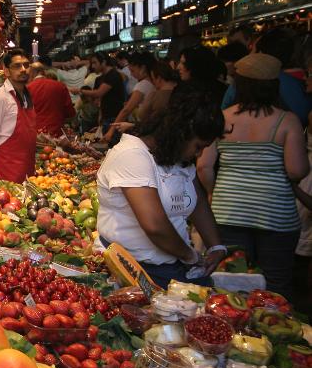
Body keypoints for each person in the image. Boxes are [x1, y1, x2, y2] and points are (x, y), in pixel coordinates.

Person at [197, 53, 310, 296]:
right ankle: (277, 328)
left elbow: (203, 166)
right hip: (276, 214)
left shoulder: (223, 118)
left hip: (228, 211)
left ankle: (238, 331)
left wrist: (211, 193)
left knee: (230, 283)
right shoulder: (286, 121)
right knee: (275, 285)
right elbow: (297, 170)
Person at [97, 88, 227, 288]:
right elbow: (155, 226)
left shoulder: (177, 159)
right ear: (181, 134)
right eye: (198, 146)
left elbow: (198, 202)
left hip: (173, 266)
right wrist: (190, 256)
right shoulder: (132, 155)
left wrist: (216, 246)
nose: (199, 154)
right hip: (134, 269)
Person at [220, 28, 312, 126]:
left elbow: (224, 109)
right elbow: (303, 116)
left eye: (254, 50)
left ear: (261, 53)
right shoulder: (297, 84)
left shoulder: (242, 80)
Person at [0, 48, 37, 182]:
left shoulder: (27, 96)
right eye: (17, 66)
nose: (23, 69)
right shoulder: (0, 99)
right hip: (8, 173)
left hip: (28, 170)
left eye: (26, 65)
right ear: (6, 71)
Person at [104, 51, 156, 141]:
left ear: (143, 68)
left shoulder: (143, 85)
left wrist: (110, 131)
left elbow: (126, 110)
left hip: (143, 128)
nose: (131, 74)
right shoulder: (153, 83)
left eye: (133, 70)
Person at [80, 53, 126, 136]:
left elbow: (99, 93)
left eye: (95, 63)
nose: (92, 66)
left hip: (115, 118)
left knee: (113, 145)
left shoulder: (113, 75)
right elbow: (99, 99)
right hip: (106, 118)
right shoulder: (101, 78)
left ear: (104, 62)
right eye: (91, 63)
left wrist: (79, 91)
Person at [28, 64, 75, 137]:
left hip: (36, 133)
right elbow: (70, 112)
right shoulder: (60, 86)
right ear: (43, 72)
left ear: (33, 73)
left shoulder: (28, 88)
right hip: (57, 131)